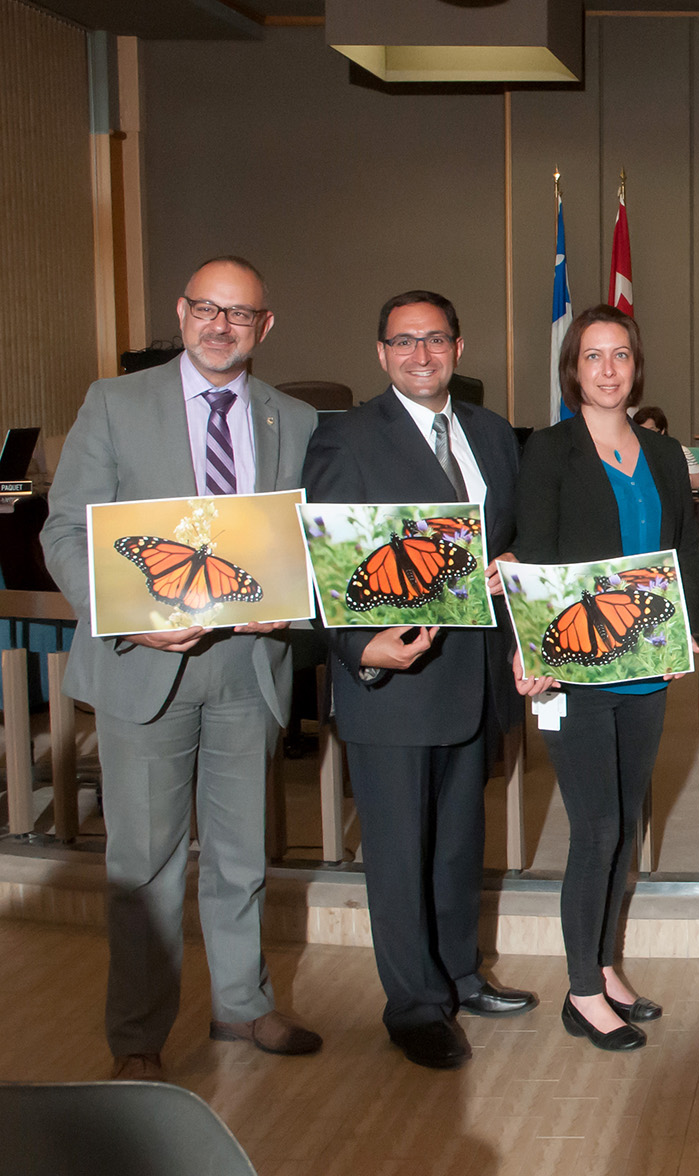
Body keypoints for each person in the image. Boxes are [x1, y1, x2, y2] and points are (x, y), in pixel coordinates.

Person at [41, 256, 323, 1081]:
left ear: (264, 326)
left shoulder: (296, 420)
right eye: (207, 308)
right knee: (145, 866)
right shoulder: (114, 403)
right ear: (182, 312)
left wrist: (294, 603)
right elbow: (65, 531)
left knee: (241, 855)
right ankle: (137, 1038)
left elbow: (314, 544)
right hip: (144, 667)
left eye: (239, 314)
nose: (220, 326)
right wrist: (124, 616)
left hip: (248, 667)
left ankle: (242, 1003)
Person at [302, 290, 537, 1070]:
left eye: (435, 339)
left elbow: (508, 535)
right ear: (381, 354)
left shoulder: (492, 433)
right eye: (403, 342)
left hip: (473, 676)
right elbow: (324, 560)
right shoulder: (345, 437)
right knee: (401, 854)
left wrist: (513, 564)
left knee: (458, 846)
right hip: (395, 679)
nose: (421, 355)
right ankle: (414, 1006)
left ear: (459, 348)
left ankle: (460, 975)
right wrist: (361, 649)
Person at [511, 306, 699, 1051]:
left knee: (624, 825)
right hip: (576, 668)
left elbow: (682, 550)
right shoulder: (549, 450)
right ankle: (582, 992)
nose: (607, 369)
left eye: (620, 354)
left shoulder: (663, 452)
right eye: (592, 356)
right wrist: (530, 651)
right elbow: (535, 552)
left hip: (647, 669)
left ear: (636, 365)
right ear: (573, 367)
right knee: (594, 829)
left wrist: (689, 628)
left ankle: (605, 964)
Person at [632, 405, 699, 489]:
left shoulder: (679, 451)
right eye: (640, 431)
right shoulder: (631, 453)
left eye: (650, 431)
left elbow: (698, 484)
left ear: (662, 431)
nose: (645, 435)